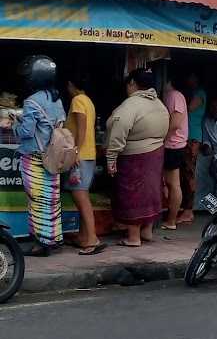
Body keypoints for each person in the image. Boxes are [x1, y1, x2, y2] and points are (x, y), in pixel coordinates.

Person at [105, 68, 169, 247]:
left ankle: (133, 237)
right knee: (150, 192)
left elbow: (118, 131)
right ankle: (146, 231)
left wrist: (111, 158)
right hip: (156, 153)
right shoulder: (158, 104)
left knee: (133, 193)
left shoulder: (131, 105)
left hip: (135, 156)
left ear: (132, 83)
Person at [12, 56, 66, 257]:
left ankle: (40, 243)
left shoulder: (31, 101)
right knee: (51, 199)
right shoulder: (57, 99)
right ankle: (53, 238)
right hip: (52, 157)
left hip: (34, 158)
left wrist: (14, 124)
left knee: (36, 199)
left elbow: (26, 132)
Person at [63, 70, 105, 255]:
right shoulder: (87, 100)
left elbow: (81, 128)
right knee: (81, 195)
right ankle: (83, 235)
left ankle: (92, 238)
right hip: (87, 154)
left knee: (81, 197)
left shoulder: (78, 101)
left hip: (81, 155)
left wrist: (75, 152)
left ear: (71, 84)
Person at [179, 72, 206, 224]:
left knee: (189, 173)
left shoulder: (200, 93)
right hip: (188, 136)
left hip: (193, 137)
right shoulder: (194, 93)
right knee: (186, 172)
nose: (189, 80)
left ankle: (188, 210)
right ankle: (186, 209)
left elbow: (189, 108)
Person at [162, 79, 188, 231]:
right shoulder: (173, 95)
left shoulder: (174, 95)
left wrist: (163, 137)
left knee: (173, 184)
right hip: (174, 144)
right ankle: (170, 219)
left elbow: (176, 122)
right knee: (171, 184)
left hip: (173, 144)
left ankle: (171, 220)